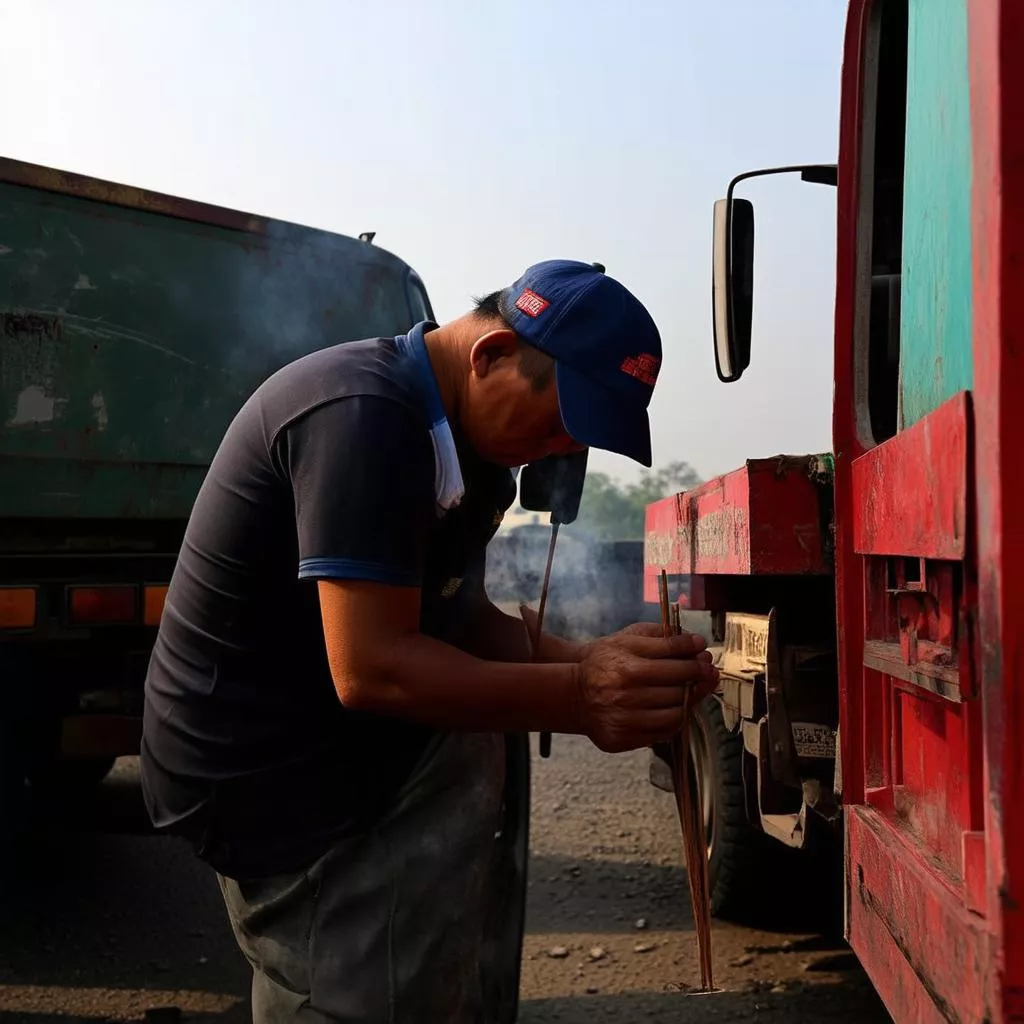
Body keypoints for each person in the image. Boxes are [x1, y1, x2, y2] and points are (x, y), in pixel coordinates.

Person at [140, 259, 717, 1023]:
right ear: (490, 356)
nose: (553, 452)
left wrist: (602, 663)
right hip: (264, 768)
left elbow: (463, 619)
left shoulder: (472, 461)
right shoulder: (364, 414)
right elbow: (372, 670)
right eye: (553, 423)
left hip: (334, 735)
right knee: (347, 996)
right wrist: (581, 696)